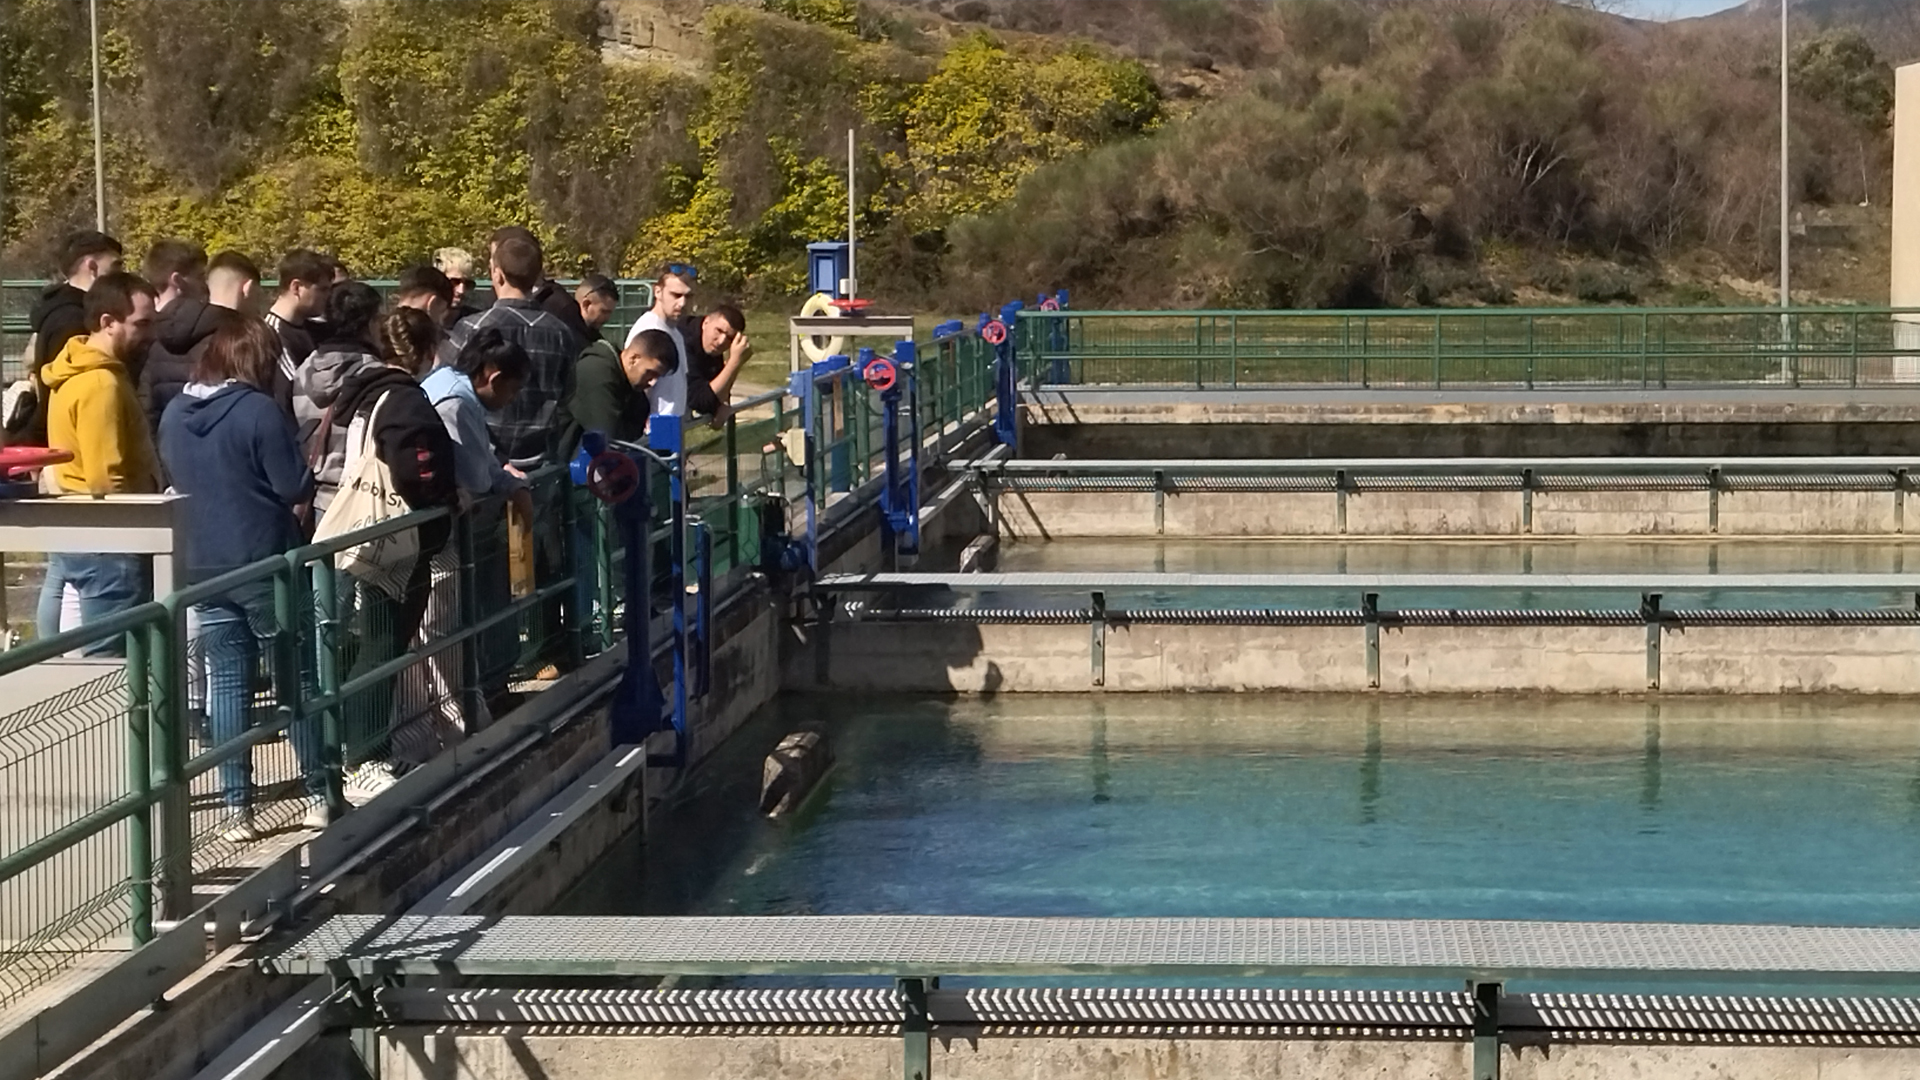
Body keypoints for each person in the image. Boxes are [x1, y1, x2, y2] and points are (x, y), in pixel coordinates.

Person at [157, 314, 321, 839]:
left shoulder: (174, 414)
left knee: (226, 685)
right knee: (296, 675)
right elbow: (293, 486)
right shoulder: (257, 412)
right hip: (265, 561)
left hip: (203, 562)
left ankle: (236, 807)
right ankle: (320, 787)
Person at [322, 307, 458, 799]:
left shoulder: (361, 392)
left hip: (363, 531)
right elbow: (417, 464)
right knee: (382, 645)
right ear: (424, 352)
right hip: (396, 538)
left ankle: (359, 749)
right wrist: (439, 498)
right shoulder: (404, 400)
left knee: (363, 643)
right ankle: (362, 757)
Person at [415, 328, 532, 745]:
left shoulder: (447, 384)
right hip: (442, 533)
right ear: (494, 377)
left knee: (437, 627)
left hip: (440, 528)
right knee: (440, 627)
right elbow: (474, 473)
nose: (511, 402)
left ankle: (458, 710)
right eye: (512, 391)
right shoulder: (457, 404)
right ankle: (457, 718)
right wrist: (507, 483)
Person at [36, 272, 161, 653]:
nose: (150, 333)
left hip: (79, 528)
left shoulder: (72, 370)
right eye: (141, 323)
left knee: (97, 652)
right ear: (108, 322)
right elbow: (107, 477)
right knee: (112, 658)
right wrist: (136, 533)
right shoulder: (100, 384)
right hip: (111, 538)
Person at [441, 232, 578, 470]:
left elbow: (447, 390)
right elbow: (569, 394)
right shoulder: (561, 333)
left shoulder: (471, 328)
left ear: (497, 274)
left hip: (483, 462)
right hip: (541, 465)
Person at [9, 230, 124, 445]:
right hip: (69, 444)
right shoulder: (73, 321)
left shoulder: (63, 310)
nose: (121, 274)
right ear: (92, 267)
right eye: (116, 266)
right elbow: (64, 393)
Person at [293, 281, 386, 514]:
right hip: (363, 497)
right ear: (371, 323)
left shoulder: (305, 367)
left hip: (315, 498)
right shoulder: (374, 374)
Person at [142, 248, 253, 432]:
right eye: (200, 276)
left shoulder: (142, 331)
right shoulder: (220, 327)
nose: (205, 286)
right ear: (177, 280)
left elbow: (145, 401)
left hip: (163, 437)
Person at [565, 327, 675, 454]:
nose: (652, 382)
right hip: (565, 465)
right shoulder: (597, 373)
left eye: (658, 377)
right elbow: (611, 437)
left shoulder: (629, 385)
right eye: (650, 373)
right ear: (634, 359)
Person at [263, 249, 334, 418]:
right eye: (322, 290)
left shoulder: (316, 329)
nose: (328, 296)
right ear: (296, 287)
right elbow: (296, 387)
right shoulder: (271, 334)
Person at [678, 303, 751, 422]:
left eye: (729, 338)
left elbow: (715, 395)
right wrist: (734, 362)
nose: (721, 341)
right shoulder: (683, 340)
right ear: (706, 322)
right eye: (719, 331)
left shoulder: (710, 346)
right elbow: (699, 400)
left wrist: (723, 404)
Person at [434, 246, 483, 325]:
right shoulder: (419, 322)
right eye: (454, 282)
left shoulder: (479, 324)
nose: (461, 290)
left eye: (467, 284)